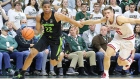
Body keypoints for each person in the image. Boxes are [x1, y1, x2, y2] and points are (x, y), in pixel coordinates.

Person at [13, 0, 82, 79]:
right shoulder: (39, 16)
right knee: (32, 53)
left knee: (53, 62)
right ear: (42, 7)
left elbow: (70, 20)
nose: (47, 8)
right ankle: (22, 73)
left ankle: (63, 52)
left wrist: (78, 24)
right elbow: (38, 31)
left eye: (48, 7)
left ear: (51, 7)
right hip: (45, 37)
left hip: (56, 39)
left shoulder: (57, 15)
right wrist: (28, 32)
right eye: (45, 7)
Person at [81, 6, 140, 79]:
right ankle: (105, 74)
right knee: (107, 54)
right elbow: (93, 21)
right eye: (105, 13)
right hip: (118, 37)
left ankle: (128, 62)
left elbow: (133, 20)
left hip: (128, 40)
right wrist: (83, 22)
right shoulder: (106, 19)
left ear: (112, 13)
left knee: (120, 62)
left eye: (108, 13)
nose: (107, 15)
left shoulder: (119, 18)